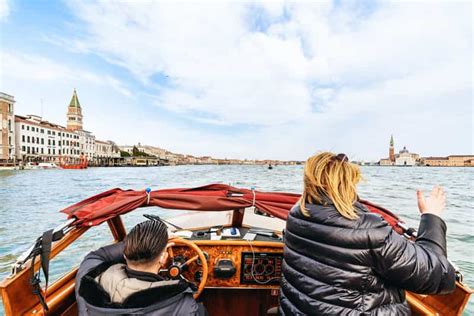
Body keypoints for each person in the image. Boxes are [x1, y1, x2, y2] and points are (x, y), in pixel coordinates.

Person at [280, 152, 456, 315]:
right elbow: (439, 276)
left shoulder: (296, 215)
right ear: (349, 184)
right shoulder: (369, 229)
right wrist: (431, 217)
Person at [75, 219, 206, 315]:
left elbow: (97, 255)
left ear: (125, 255)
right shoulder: (183, 305)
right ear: (163, 258)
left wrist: (133, 245)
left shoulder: (89, 281)